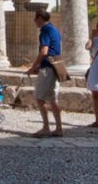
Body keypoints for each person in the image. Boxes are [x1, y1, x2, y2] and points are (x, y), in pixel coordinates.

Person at [26, 8, 63, 137]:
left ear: (40, 18)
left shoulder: (45, 30)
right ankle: (59, 128)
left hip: (47, 67)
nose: (34, 21)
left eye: (35, 18)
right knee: (53, 99)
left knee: (39, 98)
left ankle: (46, 127)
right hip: (56, 66)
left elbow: (44, 51)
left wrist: (33, 67)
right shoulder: (55, 29)